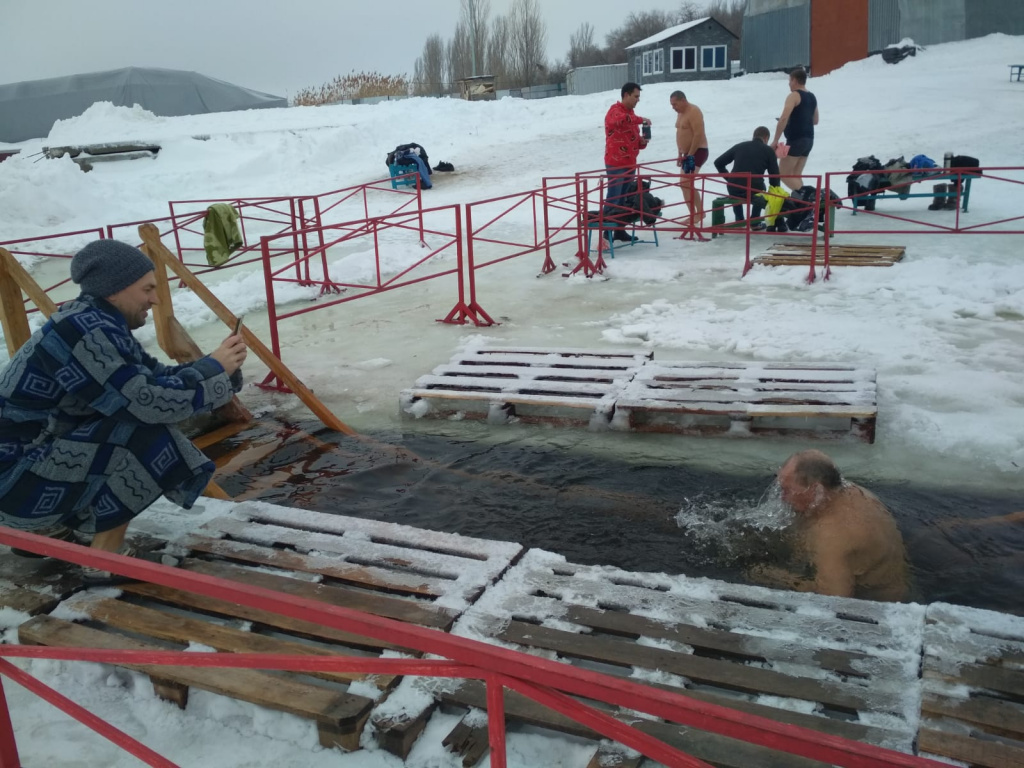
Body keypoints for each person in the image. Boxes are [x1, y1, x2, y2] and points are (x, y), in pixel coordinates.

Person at [0, 239, 247, 578]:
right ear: (114, 290)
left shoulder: (92, 322)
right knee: (143, 430)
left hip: (19, 467)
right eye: (147, 288)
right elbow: (147, 404)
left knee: (114, 417)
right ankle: (103, 560)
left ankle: (41, 533)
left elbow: (154, 377)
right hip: (10, 483)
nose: (155, 299)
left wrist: (218, 368)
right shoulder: (85, 334)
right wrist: (215, 369)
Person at [750, 450, 908, 601]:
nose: (783, 498)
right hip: (891, 580)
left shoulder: (833, 536)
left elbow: (834, 600)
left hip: (877, 607)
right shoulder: (853, 492)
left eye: (787, 490)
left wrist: (777, 577)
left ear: (817, 489)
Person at [602, 82, 651, 242]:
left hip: (629, 163)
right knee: (614, 197)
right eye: (636, 96)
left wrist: (641, 142)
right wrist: (640, 120)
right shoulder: (615, 111)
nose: (638, 100)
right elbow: (619, 120)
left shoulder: (631, 115)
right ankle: (607, 231)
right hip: (616, 163)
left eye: (638, 97)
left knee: (624, 199)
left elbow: (633, 140)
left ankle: (619, 230)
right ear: (626, 95)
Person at [713, 126, 781, 229]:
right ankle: (755, 221)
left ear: (754, 136)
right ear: (766, 138)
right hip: (754, 189)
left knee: (735, 187)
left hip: (734, 187)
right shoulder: (768, 151)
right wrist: (776, 193)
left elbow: (718, 163)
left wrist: (730, 179)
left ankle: (739, 220)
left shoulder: (739, 146)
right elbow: (774, 176)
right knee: (761, 189)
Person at [771, 67, 818, 191]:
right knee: (795, 175)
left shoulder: (794, 96)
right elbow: (815, 120)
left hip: (796, 139)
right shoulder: (812, 97)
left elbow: (783, 118)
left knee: (783, 174)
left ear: (795, 80)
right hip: (809, 139)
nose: (788, 84)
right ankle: (806, 203)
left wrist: (776, 139)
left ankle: (810, 199)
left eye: (790, 81)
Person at [670, 91, 709, 227]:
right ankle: (693, 213)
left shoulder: (694, 111)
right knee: (684, 184)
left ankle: (698, 213)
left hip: (698, 151)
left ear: (683, 100)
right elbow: (680, 133)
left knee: (686, 183)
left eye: (675, 104)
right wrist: (680, 154)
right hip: (686, 153)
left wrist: (690, 154)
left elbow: (698, 134)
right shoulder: (680, 113)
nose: (673, 107)